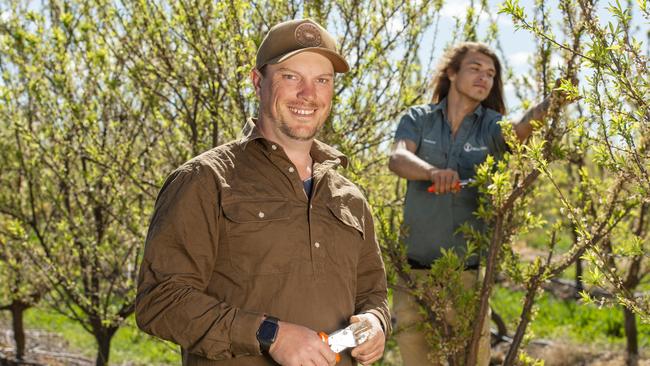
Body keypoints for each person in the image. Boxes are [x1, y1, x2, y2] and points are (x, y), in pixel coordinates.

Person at [136, 19, 391, 366]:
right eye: (291, 77)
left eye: (322, 80)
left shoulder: (349, 197)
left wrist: (376, 323)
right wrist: (268, 334)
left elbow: (372, 293)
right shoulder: (205, 180)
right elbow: (160, 301)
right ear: (258, 82)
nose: (308, 94)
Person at [388, 42, 571, 365]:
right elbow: (398, 158)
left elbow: (520, 130)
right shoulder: (419, 118)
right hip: (412, 274)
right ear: (452, 72)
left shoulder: (492, 125)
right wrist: (432, 172)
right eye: (475, 68)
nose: (484, 77)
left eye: (491, 73)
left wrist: (551, 103)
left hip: (467, 278)